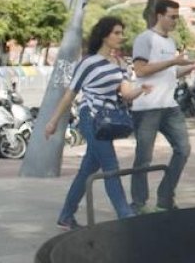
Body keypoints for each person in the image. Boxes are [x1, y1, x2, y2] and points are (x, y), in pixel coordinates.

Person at [44, 16, 150, 230]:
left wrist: (140, 90)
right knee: (110, 165)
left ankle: (66, 216)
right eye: (117, 33)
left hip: (108, 121)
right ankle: (125, 215)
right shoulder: (88, 62)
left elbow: (126, 93)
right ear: (104, 35)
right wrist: (53, 121)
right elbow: (70, 93)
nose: (121, 37)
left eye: (122, 33)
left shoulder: (121, 64)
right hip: (90, 117)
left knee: (87, 170)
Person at [129, 0, 195, 213]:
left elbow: (170, 73)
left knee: (183, 149)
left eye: (177, 17)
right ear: (159, 16)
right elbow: (141, 70)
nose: (175, 21)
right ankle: (138, 204)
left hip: (169, 106)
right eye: (172, 16)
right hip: (146, 108)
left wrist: (192, 67)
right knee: (144, 158)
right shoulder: (145, 39)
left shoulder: (170, 43)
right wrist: (173, 62)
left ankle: (165, 197)